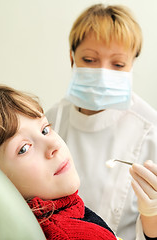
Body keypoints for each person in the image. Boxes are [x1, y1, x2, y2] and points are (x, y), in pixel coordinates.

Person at [45, 3, 157, 240]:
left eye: (117, 64)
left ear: (131, 65)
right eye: (89, 59)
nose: (104, 73)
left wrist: (153, 217)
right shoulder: (52, 120)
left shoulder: (150, 130)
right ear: (71, 57)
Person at [0, 85, 123, 240]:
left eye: (44, 130)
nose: (54, 146)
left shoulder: (65, 209)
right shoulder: (73, 235)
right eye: (24, 148)